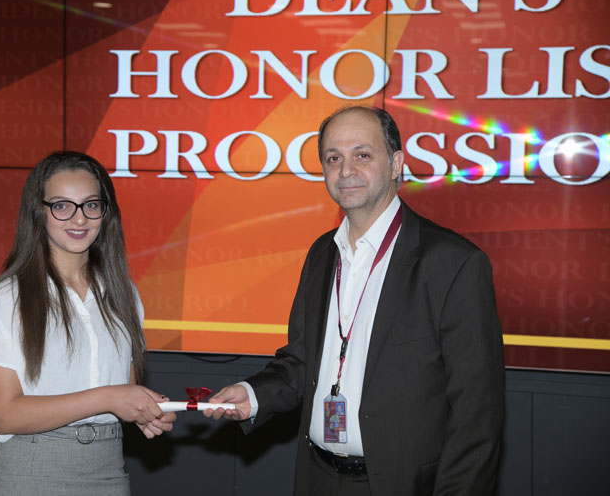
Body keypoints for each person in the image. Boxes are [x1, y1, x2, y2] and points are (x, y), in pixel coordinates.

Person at [204, 107, 505, 495]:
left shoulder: (453, 263)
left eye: (362, 155)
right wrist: (253, 395)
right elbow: (302, 360)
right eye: (333, 158)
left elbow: (477, 415)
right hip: (317, 477)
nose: (346, 170)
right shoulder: (321, 254)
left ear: (396, 164)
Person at [0, 151, 176, 495]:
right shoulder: (8, 297)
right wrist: (109, 397)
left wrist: (145, 411)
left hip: (109, 471)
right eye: (62, 206)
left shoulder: (124, 292)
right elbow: (4, 414)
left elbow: (123, 389)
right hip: (30, 472)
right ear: (39, 212)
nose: (79, 218)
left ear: (105, 212)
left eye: (91, 205)